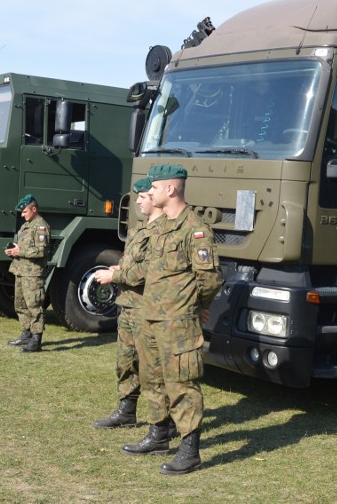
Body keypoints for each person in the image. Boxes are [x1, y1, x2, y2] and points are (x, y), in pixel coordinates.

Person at [123, 164, 223, 475]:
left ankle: (190, 450)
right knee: (152, 380)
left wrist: (195, 305)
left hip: (178, 322)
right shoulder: (160, 228)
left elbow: (209, 279)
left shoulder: (195, 229)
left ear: (171, 189)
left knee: (181, 383)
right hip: (150, 318)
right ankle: (158, 435)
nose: (148, 193)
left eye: (154, 188)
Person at [92, 177, 164, 429]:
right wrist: (120, 266)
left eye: (143, 197)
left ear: (155, 199)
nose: (139, 202)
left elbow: (149, 270)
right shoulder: (139, 230)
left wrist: (116, 275)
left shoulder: (164, 232)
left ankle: (164, 422)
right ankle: (126, 410)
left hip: (149, 307)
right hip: (129, 305)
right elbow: (133, 263)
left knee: (152, 367)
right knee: (125, 360)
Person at [5, 194, 50, 353]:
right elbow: (24, 248)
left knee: (34, 305)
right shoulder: (26, 226)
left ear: (34, 209)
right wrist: (14, 249)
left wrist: (20, 251)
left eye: (24, 212)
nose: (22, 215)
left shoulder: (40, 226)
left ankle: (36, 340)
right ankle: (26, 334)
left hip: (32, 274)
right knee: (20, 304)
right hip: (20, 271)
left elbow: (41, 250)